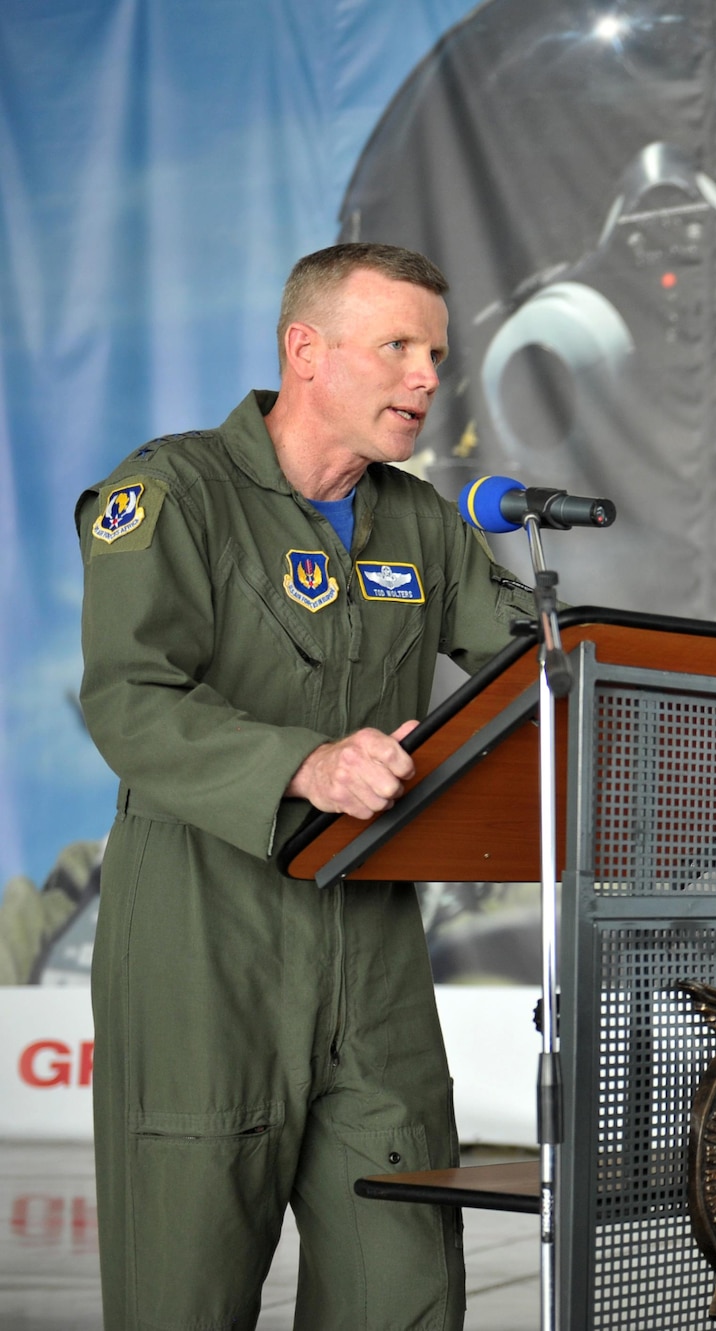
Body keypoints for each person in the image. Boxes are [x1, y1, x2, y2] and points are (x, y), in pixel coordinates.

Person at [76, 243, 537, 1330]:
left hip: (371, 947)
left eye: (435, 351)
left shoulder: (420, 522)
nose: (428, 376)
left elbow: (538, 670)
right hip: (203, 939)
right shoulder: (171, 491)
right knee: (182, 1292)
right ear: (306, 351)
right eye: (397, 347)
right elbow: (131, 700)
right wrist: (305, 761)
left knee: (405, 1281)